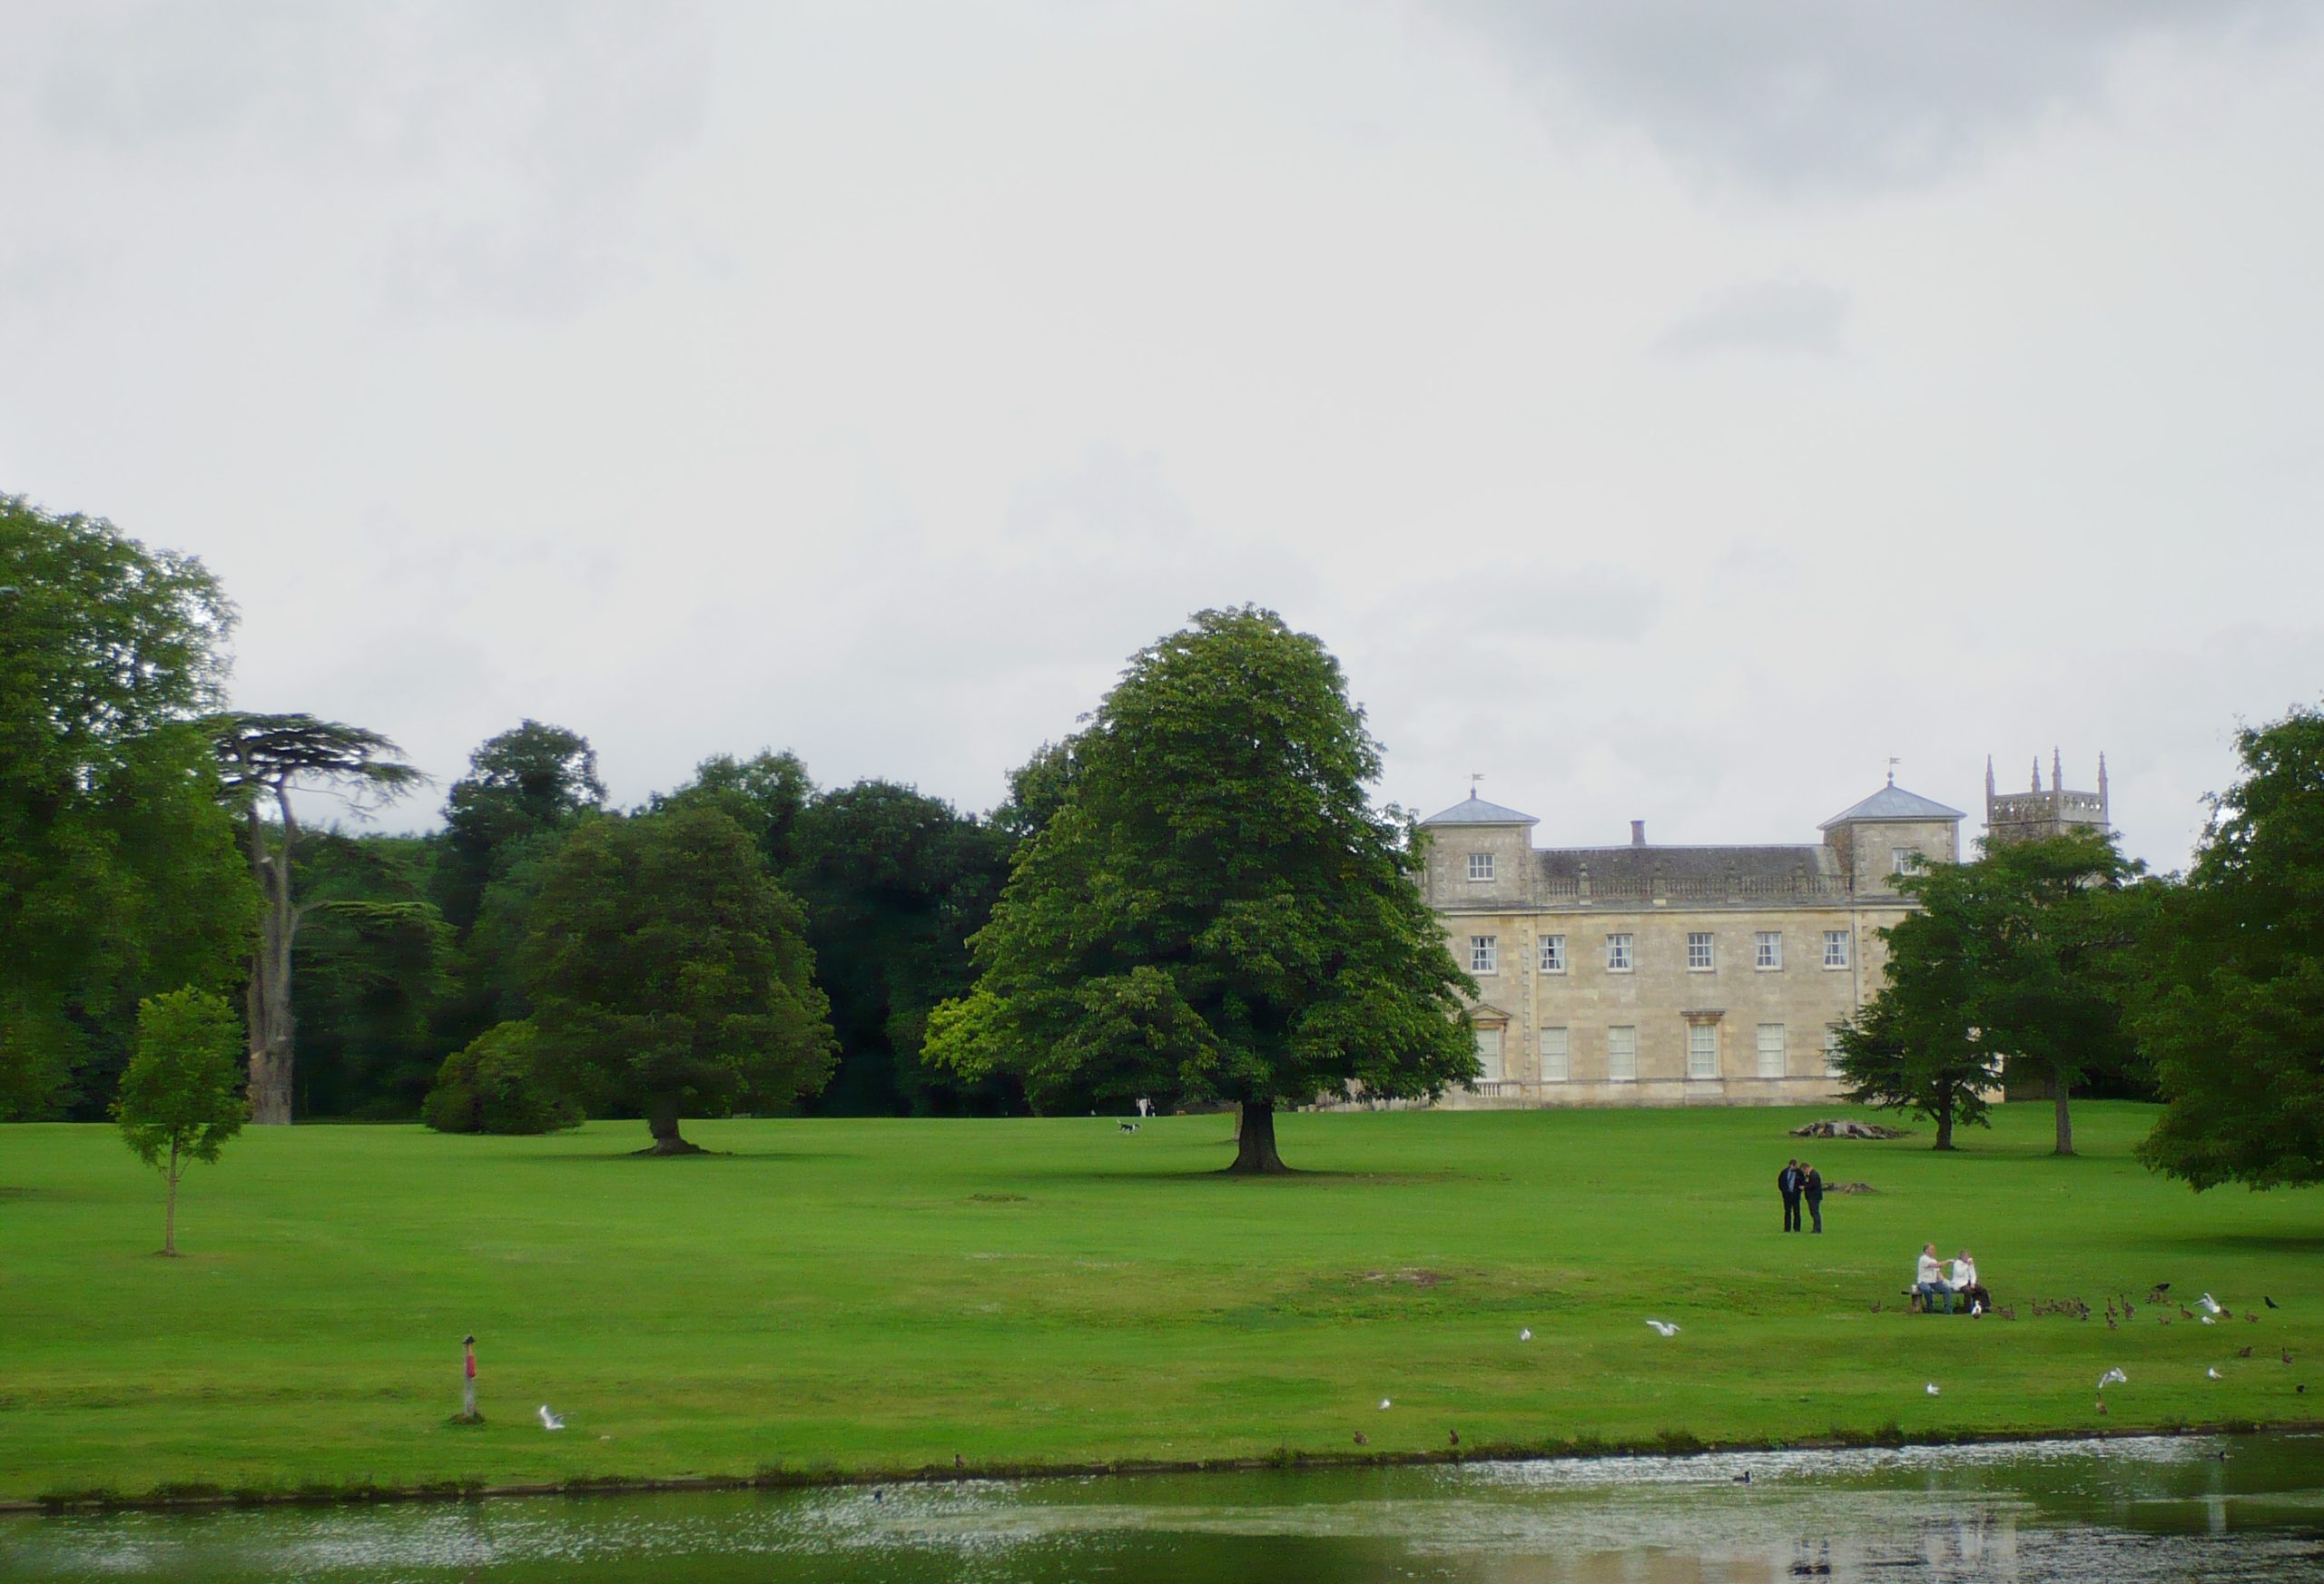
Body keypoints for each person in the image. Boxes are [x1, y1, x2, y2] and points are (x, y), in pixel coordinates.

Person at [1915, 1244, 1954, 1313]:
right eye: (1932, 1249)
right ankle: (1930, 1309)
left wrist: (1944, 1280)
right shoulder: (1923, 1259)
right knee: (1927, 1289)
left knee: (1947, 1289)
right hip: (1923, 1282)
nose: (1934, 1251)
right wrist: (1947, 1261)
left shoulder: (1934, 1260)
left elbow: (1938, 1272)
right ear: (1926, 1250)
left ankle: (1948, 1310)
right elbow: (1935, 1266)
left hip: (1933, 1282)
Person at [1952, 1250, 1990, 1314]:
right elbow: (1959, 1273)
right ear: (1961, 1257)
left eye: (1967, 1256)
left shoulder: (1969, 1263)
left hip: (1967, 1281)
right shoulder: (1957, 1264)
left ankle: (1985, 1306)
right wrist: (1967, 1265)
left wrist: (1973, 1282)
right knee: (1968, 1291)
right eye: (1965, 1256)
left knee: (1982, 1290)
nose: (1967, 1258)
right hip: (1959, 1283)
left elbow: (1973, 1274)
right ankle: (1967, 1308)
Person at [1778, 1158, 1803, 1232]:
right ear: (1790, 1165)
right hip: (1787, 1196)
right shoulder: (1784, 1172)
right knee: (1787, 1212)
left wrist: (1798, 1191)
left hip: (1796, 1196)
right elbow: (1780, 1182)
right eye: (1794, 1166)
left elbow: (1803, 1182)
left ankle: (1797, 1228)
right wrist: (1784, 1191)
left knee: (1797, 1212)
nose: (1795, 1168)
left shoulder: (1799, 1172)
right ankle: (1787, 1228)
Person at [1802, 1162, 1825, 1235]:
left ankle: (1817, 1229)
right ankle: (1816, 1228)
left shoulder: (1814, 1174)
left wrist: (1804, 1187)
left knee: (1815, 1212)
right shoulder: (1810, 1175)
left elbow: (1813, 1185)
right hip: (1812, 1197)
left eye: (1804, 1170)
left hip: (1814, 1197)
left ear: (1806, 1168)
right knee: (1813, 1212)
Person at [461, 1333, 478, 1420]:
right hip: (470, 1373)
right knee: (469, 1391)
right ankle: (470, 1411)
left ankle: (469, 1411)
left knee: (469, 1392)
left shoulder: (470, 1358)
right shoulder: (470, 1357)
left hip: (469, 1375)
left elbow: (470, 1362)